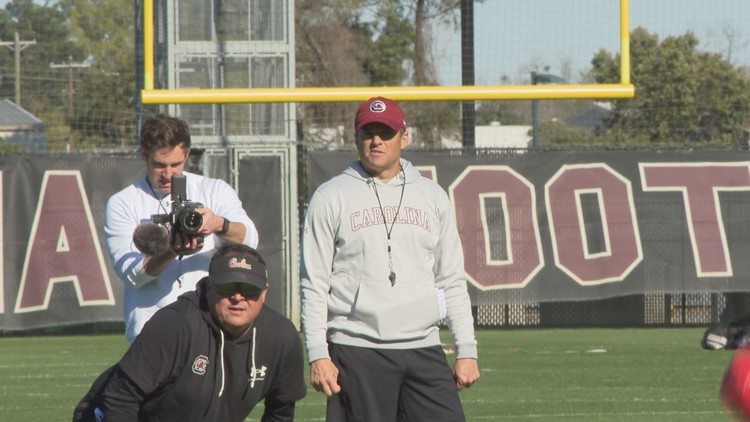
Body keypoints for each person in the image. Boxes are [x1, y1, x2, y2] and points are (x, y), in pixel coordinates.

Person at [300, 96, 480, 421]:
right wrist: (317, 353)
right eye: (368, 133)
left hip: (423, 346)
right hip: (356, 348)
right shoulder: (330, 196)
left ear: (404, 137)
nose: (377, 141)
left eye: (386, 132)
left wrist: (466, 349)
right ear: (356, 138)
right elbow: (314, 283)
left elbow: (451, 278)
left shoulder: (432, 196)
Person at [73, 244, 306, 422]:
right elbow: (120, 398)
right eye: (227, 286)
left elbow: (281, 412)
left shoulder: (281, 337)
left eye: (249, 289)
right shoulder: (176, 324)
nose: (238, 297)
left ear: (264, 292)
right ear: (210, 285)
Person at [104, 114, 259, 342]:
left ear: (187, 154)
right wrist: (171, 250)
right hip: (152, 333)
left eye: (176, 164)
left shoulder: (214, 190)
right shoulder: (123, 202)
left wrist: (217, 224)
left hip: (208, 329)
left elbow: (250, 239)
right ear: (143, 155)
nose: (168, 175)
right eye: (159, 165)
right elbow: (132, 274)